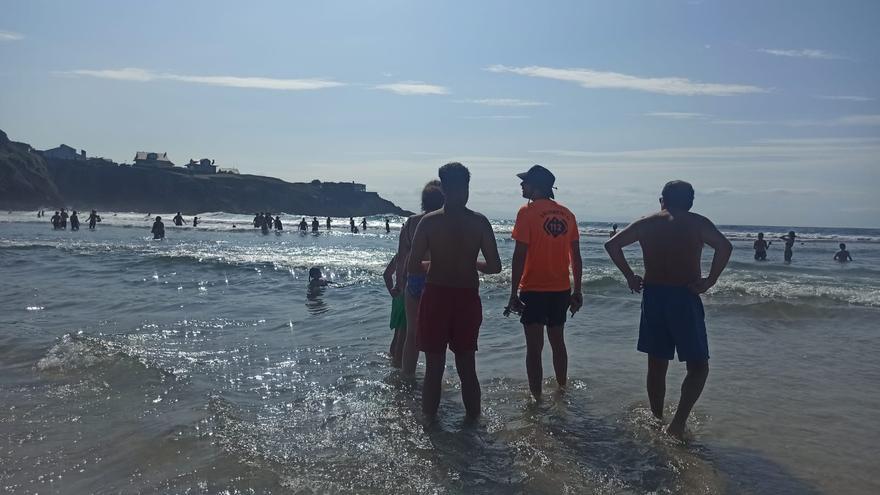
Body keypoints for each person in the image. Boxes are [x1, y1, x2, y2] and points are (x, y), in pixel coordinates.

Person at [604, 180, 732, 439]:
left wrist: (630, 276)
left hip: (654, 296)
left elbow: (612, 245)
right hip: (684, 296)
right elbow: (725, 247)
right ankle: (677, 424)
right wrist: (709, 281)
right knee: (698, 366)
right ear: (690, 201)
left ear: (662, 199)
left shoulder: (646, 222)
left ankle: (656, 418)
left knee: (657, 364)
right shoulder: (697, 222)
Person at [408, 162, 502, 419]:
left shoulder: (428, 222)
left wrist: (434, 264)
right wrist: (470, 262)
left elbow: (412, 265)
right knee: (467, 367)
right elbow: (495, 266)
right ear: (465, 188)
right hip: (466, 297)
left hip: (436, 295)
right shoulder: (479, 222)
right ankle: (473, 426)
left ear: (445, 190)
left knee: (434, 368)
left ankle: (430, 427)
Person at [507, 165, 583, 400]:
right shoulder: (567, 214)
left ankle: (536, 398)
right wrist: (578, 290)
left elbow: (519, 255)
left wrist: (513, 293)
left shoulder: (526, 213)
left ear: (536, 186)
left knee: (534, 348)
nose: (521, 185)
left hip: (534, 288)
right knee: (558, 342)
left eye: (525, 182)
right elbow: (576, 256)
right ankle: (562, 390)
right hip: (561, 289)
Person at [396, 180, 445, 376]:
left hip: (413, 280)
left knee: (411, 334)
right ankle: (434, 379)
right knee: (435, 335)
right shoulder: (443, 221)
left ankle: (407, 376)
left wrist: (400, 283)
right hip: (436, 281)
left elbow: (402, 258)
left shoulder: (411, 222)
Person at [383, 254, 407, 368]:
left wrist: (392, 293)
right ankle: (398, 366)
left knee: (397, 334)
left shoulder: (399, 256)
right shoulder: (416, 255)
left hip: (397, 297)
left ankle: (393, 363)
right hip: (408, 297)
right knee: (404, 336)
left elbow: (387, 275)